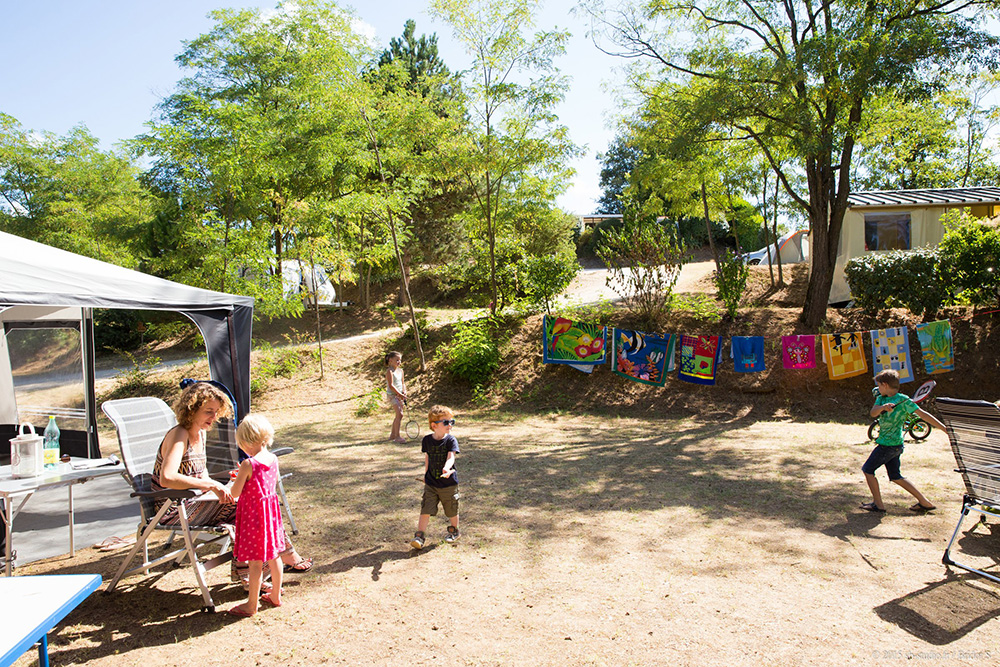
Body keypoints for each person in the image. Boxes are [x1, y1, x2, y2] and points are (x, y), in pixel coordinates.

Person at [151, 382, 311, 591]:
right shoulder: (179, 434)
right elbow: (167, 477)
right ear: (191, 410)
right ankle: (266, 566)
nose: (213, 417)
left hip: (195, 501)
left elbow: (201, 474)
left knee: (254, 500)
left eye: (216, 412)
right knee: (249, 506)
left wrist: (231, 481)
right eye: (208, 411)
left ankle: (262, 567)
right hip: (174, 507)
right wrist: (211, 485)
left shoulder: (200, 433)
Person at [860, 369, 946, 513]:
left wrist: (944, 428)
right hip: (893, 446)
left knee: (868, 470)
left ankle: (878, 504)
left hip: (889, 447)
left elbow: (924, 415)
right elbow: (873, 412)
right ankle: (925, 502)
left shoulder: (904, 400)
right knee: (895, 476)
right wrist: (883, 408)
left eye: (880, 385)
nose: (878, 388)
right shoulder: (881, 398)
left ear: (885, 385)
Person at [228, 414, 284, 617]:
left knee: (255, 562)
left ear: (247, 442)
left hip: (253, 517)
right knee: (274, 554)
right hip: (270, 515)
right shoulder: (273, 458)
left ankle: (252, 604)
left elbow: (234, 493)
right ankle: (275, 595)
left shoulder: (248, 464)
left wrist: (237, 479)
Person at [409, 405, 460, 549]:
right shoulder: (426, 440)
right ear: (434, 425)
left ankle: (454, 531)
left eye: (451, 422)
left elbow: (451, 457)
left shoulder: (451, 440)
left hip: (448, 483)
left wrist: (447, 467)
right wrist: (426, 474)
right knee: (426, 509)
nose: (449, 425)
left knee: (451, 509)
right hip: (431, 483)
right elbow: (428, 457)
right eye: (445, 422)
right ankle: (419, 536)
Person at [385, 351, 407, 444]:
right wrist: (399, 394)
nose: (399, 362)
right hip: (392, 395)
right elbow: (391, 385)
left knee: (399, 415)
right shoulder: (389, 371)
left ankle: (392, 435)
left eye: (400, 360)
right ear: (390, 360)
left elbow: (402, 383)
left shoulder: (401, 371)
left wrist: (404, 391)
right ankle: (397, 437)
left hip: (399, 395)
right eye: (397, 360)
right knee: (399, 414)